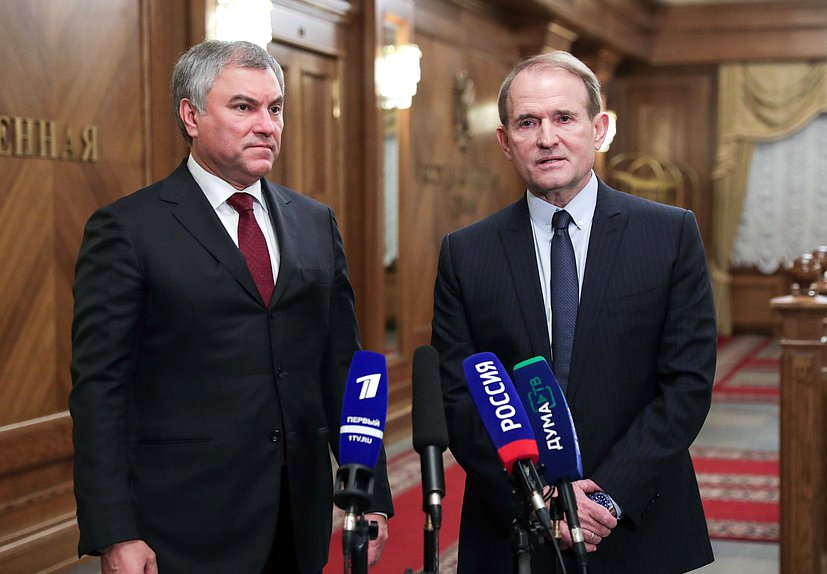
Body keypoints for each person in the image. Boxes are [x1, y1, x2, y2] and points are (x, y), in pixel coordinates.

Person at [69, 40, 393, 574]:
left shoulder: (315, 222)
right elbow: (100, 389)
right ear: (190, 115)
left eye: (275, 108)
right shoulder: (128, 229)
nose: (266, 124)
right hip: (184, 521)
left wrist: (370, 489)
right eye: (244, 107)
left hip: (299, 512)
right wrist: (113, 530)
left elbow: (343, 365)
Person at [431, 50, 716, 573]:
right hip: (513, 526)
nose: (546, 138)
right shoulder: (466, 252)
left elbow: (687, 386)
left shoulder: (670, 234)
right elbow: (459, 396)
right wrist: (540, 499)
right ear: (504, 141)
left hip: (639, 520)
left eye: (564, 118)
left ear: (599, 128)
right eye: (527, 122)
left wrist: (606, 497)